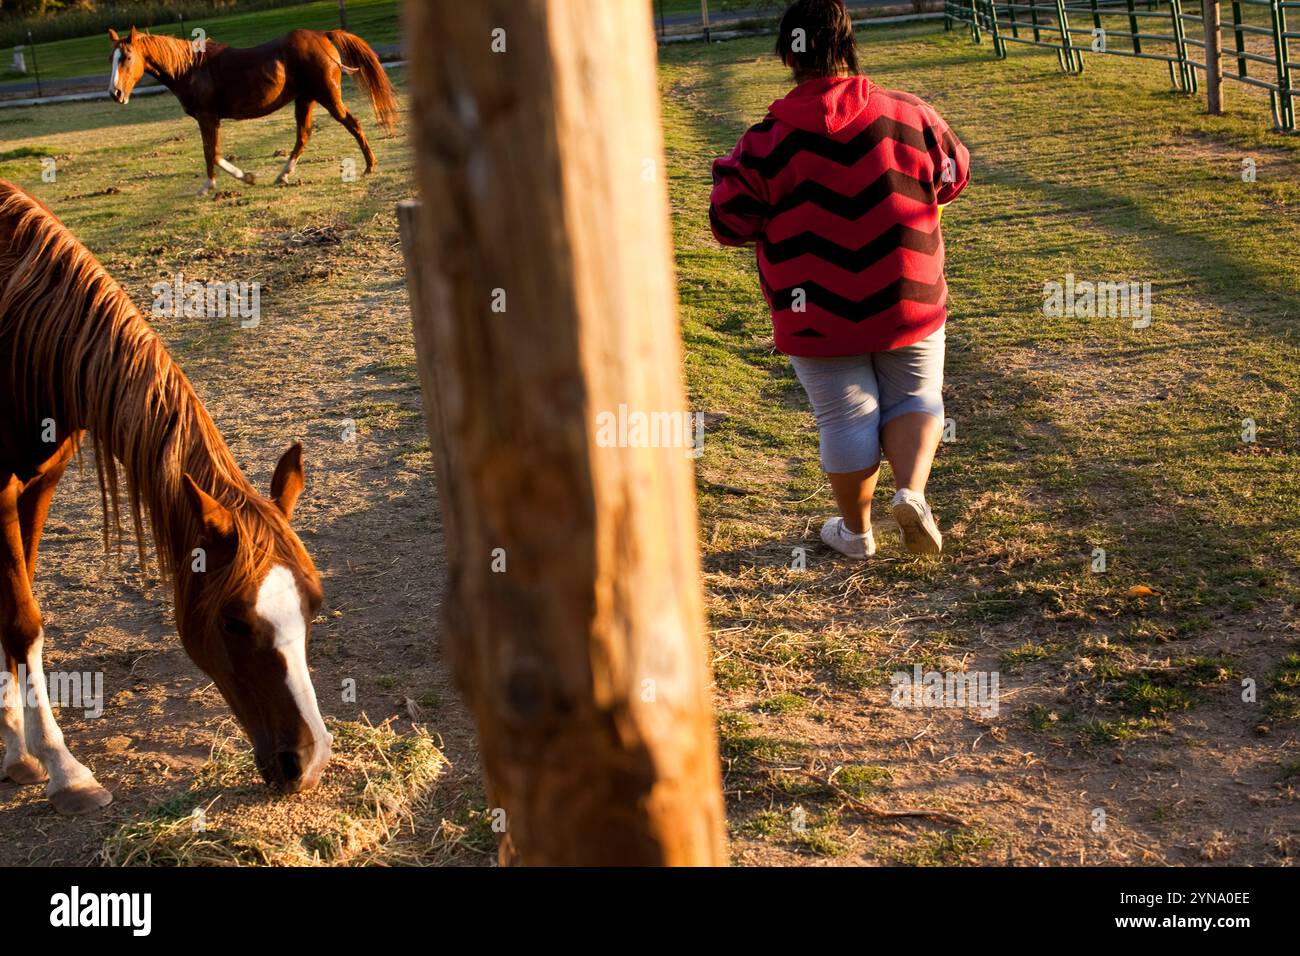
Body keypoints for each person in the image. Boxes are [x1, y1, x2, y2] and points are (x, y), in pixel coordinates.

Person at [709, 0, 970, 559]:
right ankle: (912, 494)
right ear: (849, 47)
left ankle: (857, 534)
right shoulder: (911, 114)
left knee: (846, 414)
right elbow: (953, 175)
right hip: (910, 294)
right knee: (916, 395)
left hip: (816, 310)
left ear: (787, 56)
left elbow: (728, 223)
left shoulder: (765, 142)